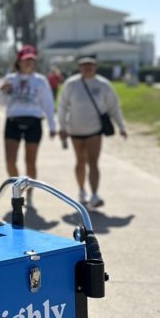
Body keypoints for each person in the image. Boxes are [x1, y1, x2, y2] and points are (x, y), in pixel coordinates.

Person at [57, 54, 127, 207]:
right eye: (84, 65)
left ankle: (94, 194)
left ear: (95, 67)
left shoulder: (103, 85)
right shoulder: (71, 84)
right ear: (79, 67)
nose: (87, 67)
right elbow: (62, 106)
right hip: (75, 129)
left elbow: (114, 107)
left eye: (90, 64)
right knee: (80, 161)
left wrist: (121, 126)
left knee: (93, 161)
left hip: (95, 130)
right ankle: (82, 191)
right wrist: (62, 127)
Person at [0, 45, 57, 198]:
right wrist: (3, 91)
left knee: (30, 162)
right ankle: (18, 190)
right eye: (25, 60)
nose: (28, 63)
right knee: (10, 161)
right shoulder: (10, 79)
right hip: (13, 121)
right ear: (19, 61)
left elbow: (48, 104)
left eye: (31, 60)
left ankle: (29, 193)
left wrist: (52, 126)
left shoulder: (40, 80)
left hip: (34, 121)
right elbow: (1, 102)